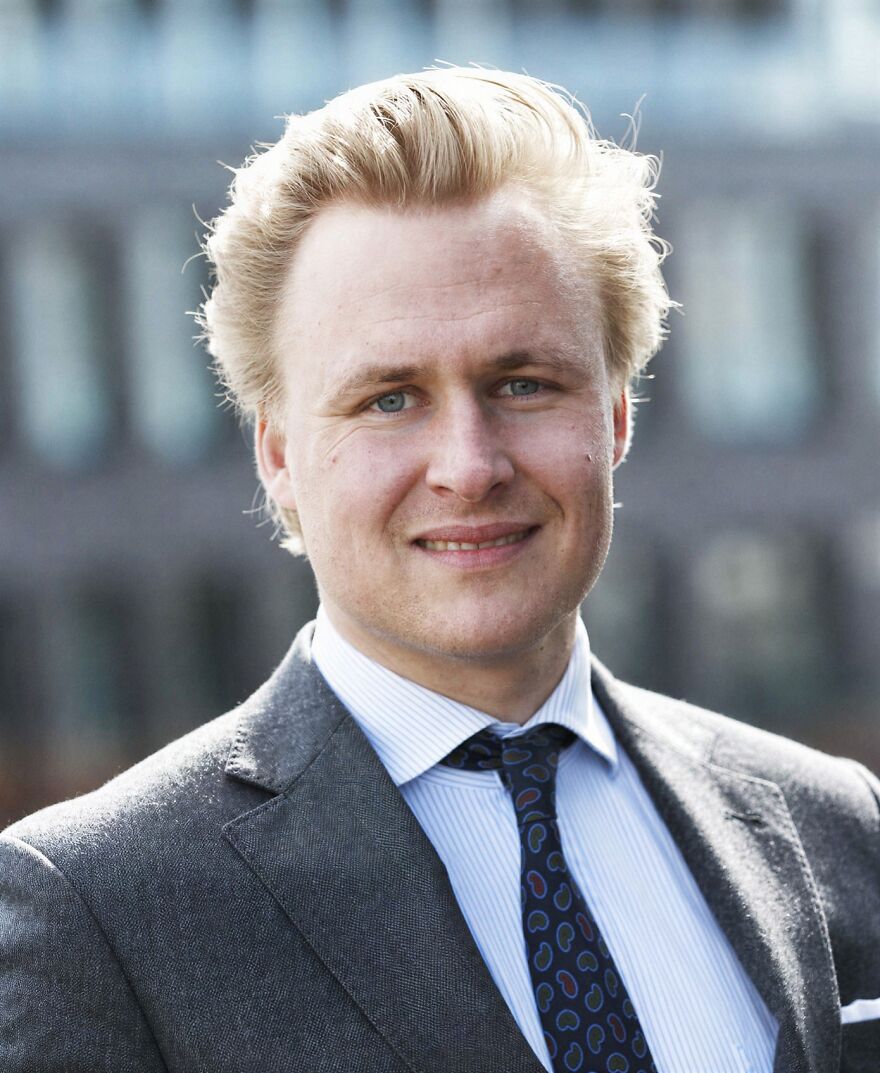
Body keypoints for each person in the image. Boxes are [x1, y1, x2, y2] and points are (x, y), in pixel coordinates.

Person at [0, 67, 877, 1073]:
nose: (468, 465)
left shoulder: (834, 826)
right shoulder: (95, 912)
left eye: (522, 381)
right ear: (277, 452)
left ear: (618, 414)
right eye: (388, 398)